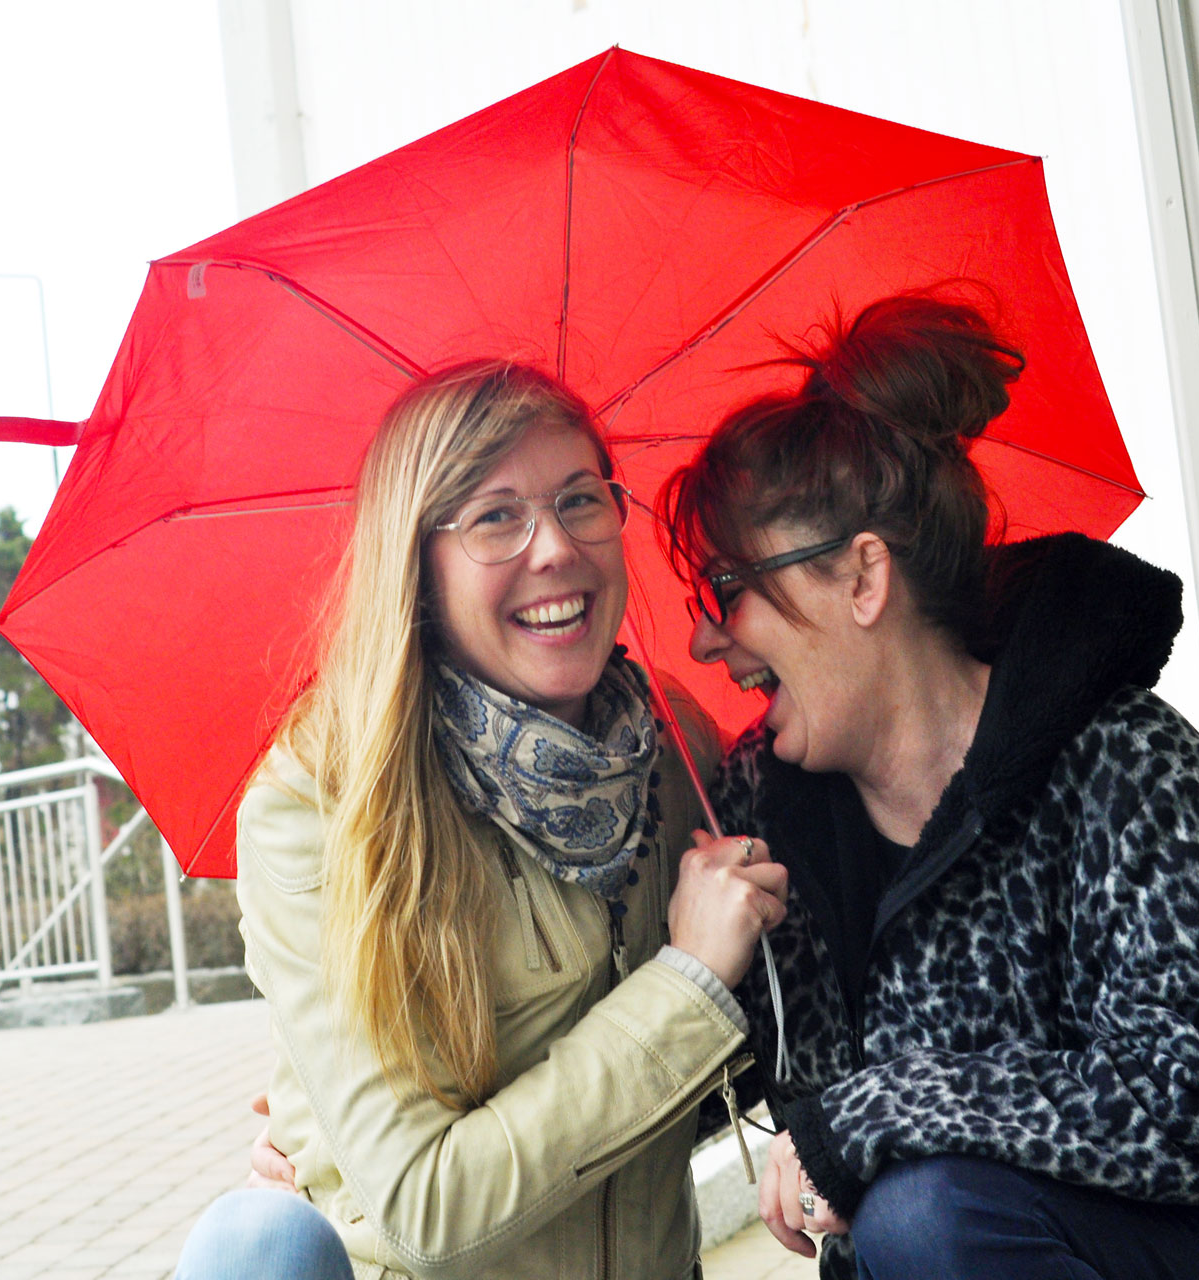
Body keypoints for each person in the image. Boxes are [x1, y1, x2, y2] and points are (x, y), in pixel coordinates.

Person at [660, 291, 1199, 1279]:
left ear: (861, 578)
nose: (707, 638)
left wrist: (876, 1112)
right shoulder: (765, 825)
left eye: (727, 589)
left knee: (923, 1215)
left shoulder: (1128, 770)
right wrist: (696, 969)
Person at [173, 361, 788, 1280]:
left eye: (582, 499)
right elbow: (427, 1207)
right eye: (496, 517)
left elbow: (698, 1083)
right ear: (416, 567)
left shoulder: (673, 754)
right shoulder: (321, 806)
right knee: (255, 1246)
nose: (554, 548)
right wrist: (687, 982)